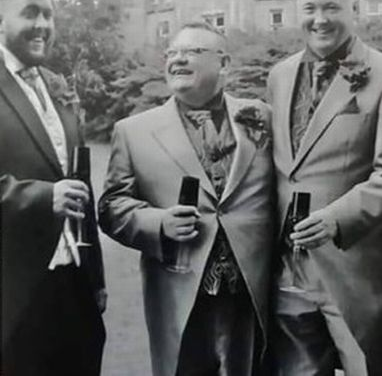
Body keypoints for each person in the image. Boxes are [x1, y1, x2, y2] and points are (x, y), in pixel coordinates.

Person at [267, 0, 382, 376]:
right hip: (287, 267)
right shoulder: (279, 76)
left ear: (356, 11)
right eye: (310, 8)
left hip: (354, 268)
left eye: (332, 7)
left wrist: (336, 219)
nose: (320, 19)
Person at [99, 21, 274, 376]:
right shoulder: (133, 131)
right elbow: (111, 206)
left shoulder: (261, 117)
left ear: (223, 64)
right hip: (179, 293)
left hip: (253, 295)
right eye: (172, 53)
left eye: (192, 52)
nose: (177, 60)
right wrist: (157, 222)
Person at [0, 0, 106, 376]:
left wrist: (95, 277)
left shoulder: (56, 87)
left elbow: (81, 185)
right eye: (30, 13)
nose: (43, 24)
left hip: (73, 292)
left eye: (48, 14)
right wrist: (43, 198)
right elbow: (57, 191)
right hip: (13, 300)